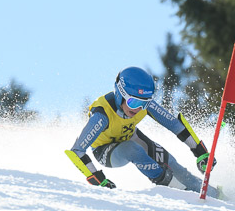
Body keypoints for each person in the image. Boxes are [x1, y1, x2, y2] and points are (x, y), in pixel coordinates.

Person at [65, 66, 218, 196]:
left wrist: (199, 151)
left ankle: (217, 196)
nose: (138, 109)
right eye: (134, 102)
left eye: (144, 103)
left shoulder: (144, 105)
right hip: (105, 151)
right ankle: (172, 187)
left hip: (131, 137)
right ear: (120, 95)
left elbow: (175, 125)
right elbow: (77, 151)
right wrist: (99, 179)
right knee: (133, 150)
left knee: (172, 164)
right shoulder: (102, 115)